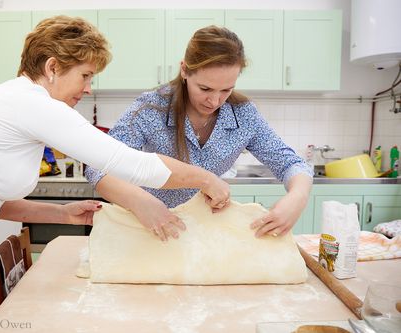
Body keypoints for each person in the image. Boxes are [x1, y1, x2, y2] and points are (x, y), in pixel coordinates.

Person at [0, 17, 230, 333]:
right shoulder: (33, 104)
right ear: (52, 67)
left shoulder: (17, 102)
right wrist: (206, 179)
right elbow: (131, 163)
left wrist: (60, 213)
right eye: (86, 75)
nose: (88, 88)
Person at [85, 25, 313, 241]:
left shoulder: (244, 115)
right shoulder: (151, 108)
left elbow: (290, 163)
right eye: (205, 89)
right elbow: (98, 165)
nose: (215, 101)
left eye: (226, 90)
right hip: (148, 228)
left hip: (204, 234)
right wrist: (139, 202)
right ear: (184, 70)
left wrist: (297, 198)